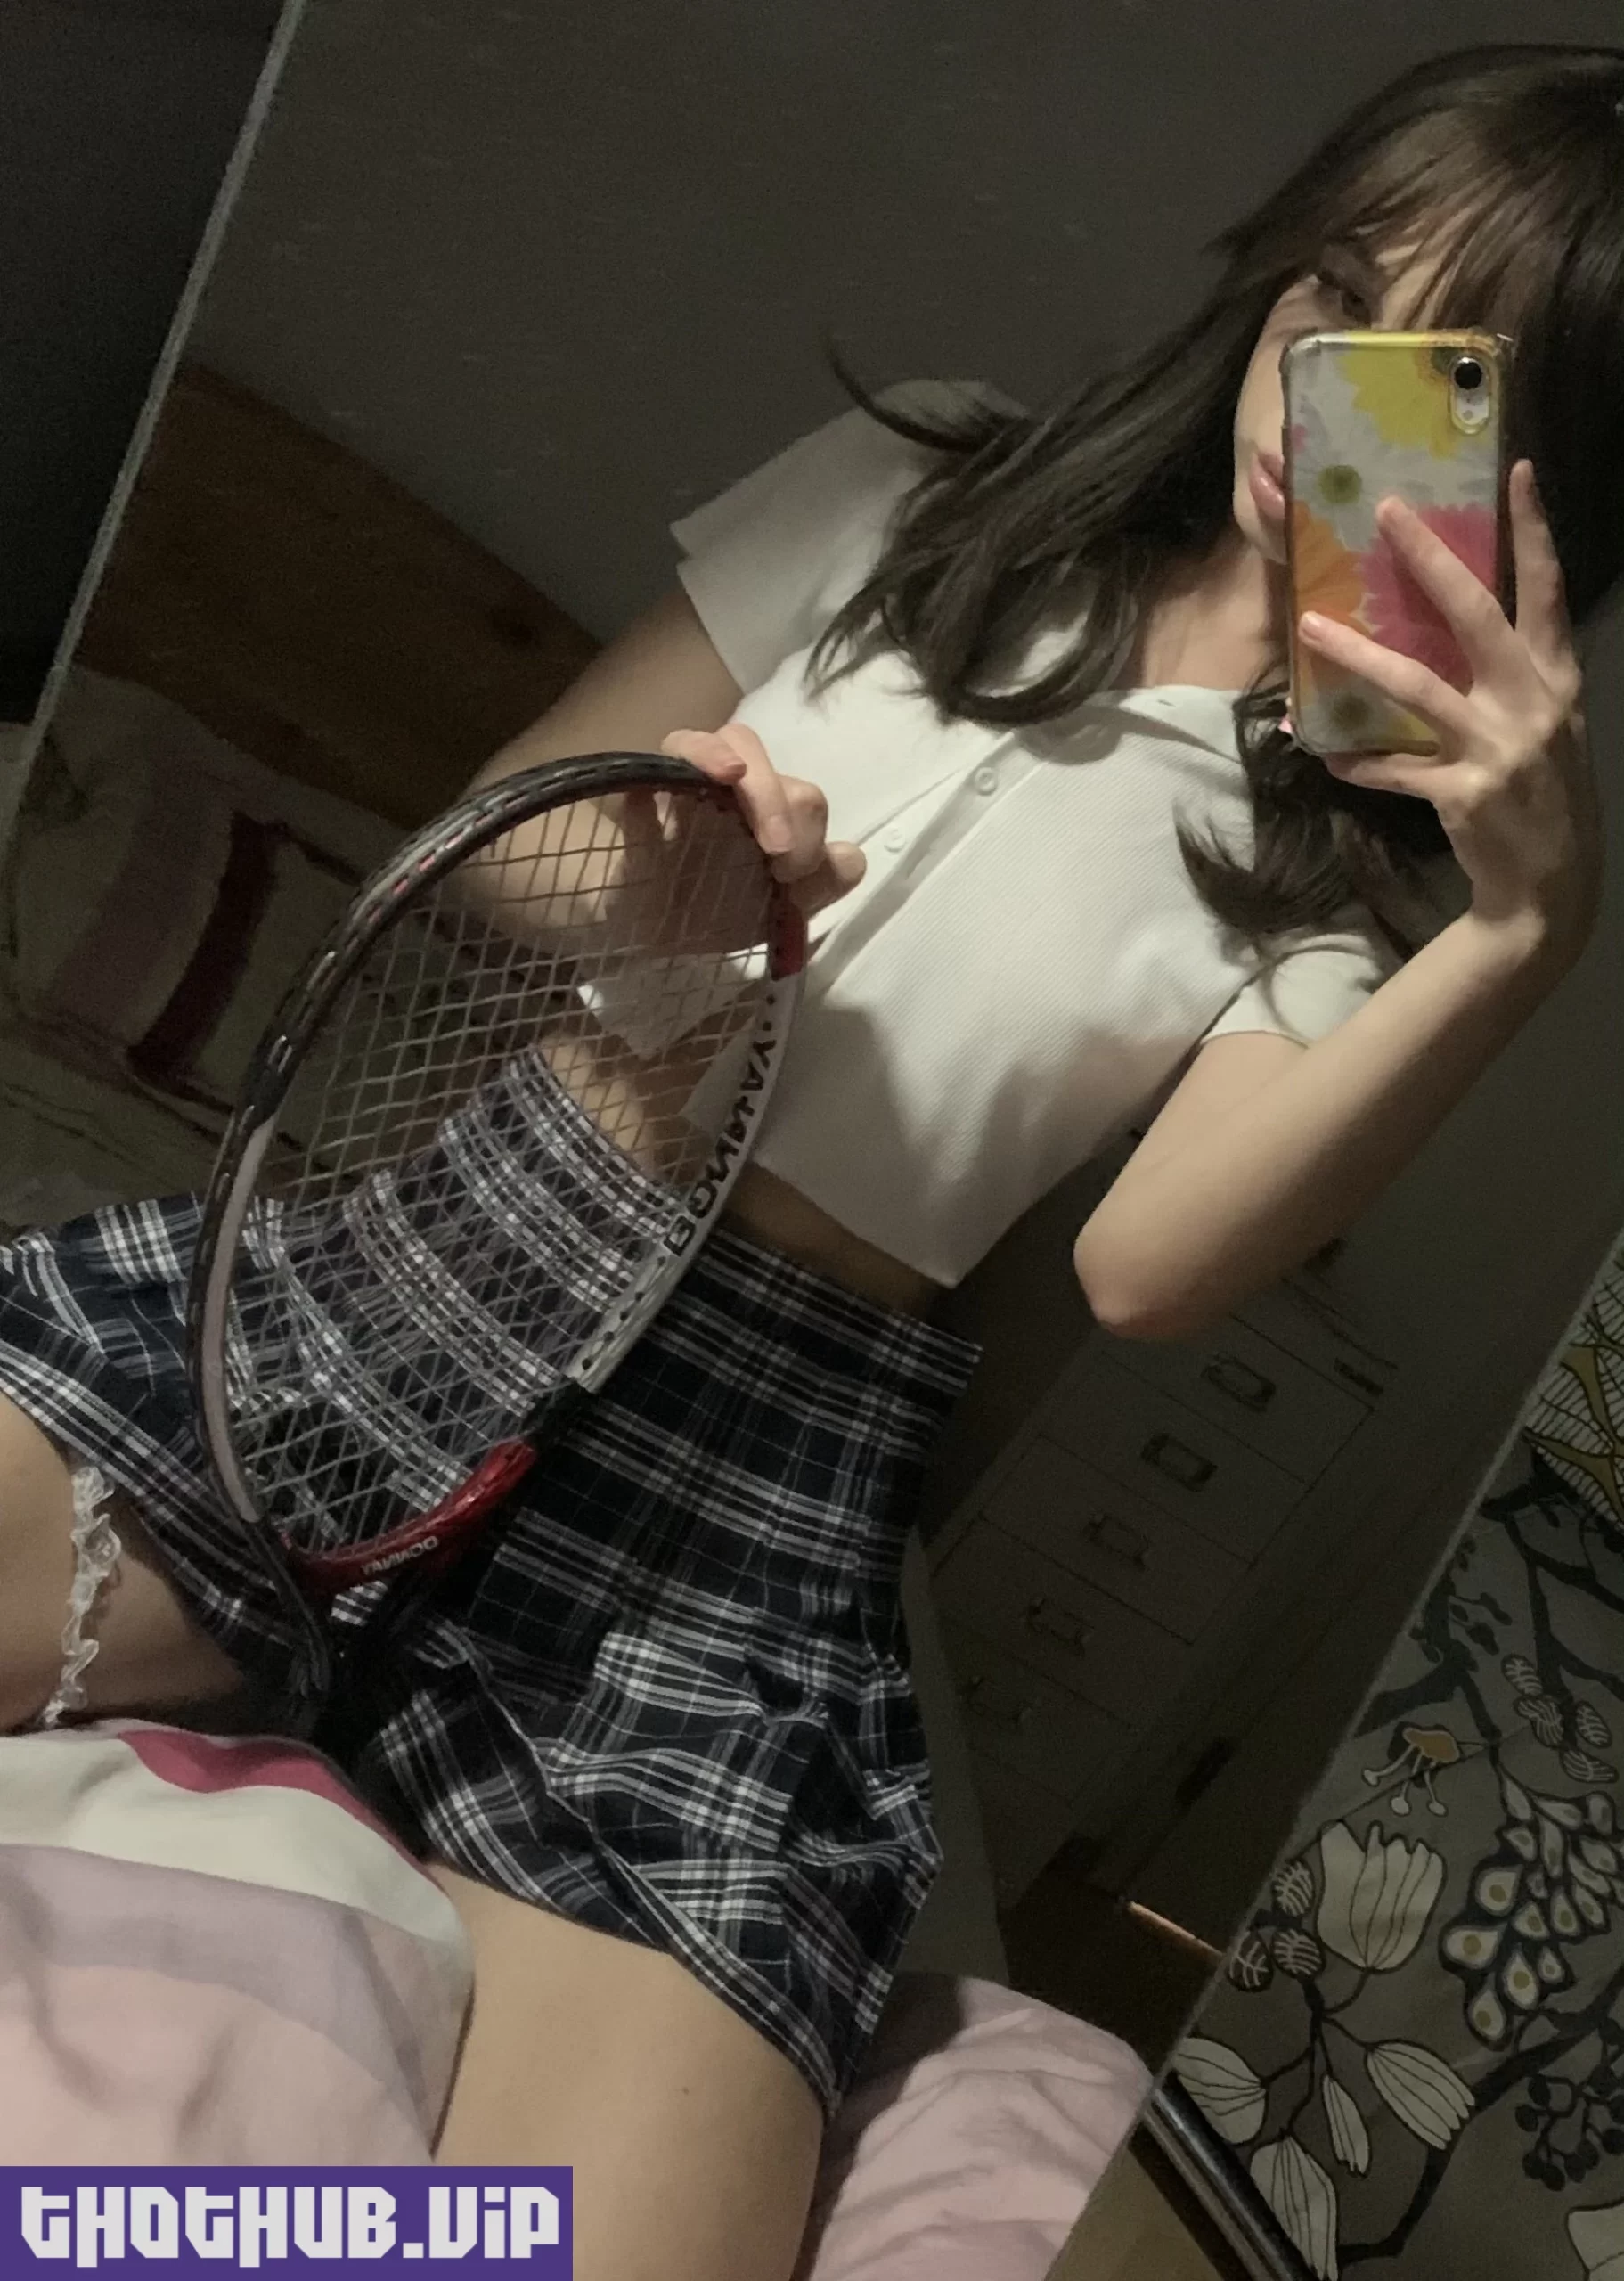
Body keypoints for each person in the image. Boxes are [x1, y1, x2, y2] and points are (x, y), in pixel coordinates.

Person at [0, 39, 1617, 2281]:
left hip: (749, 1502)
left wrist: (1522, 933)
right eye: (1329, 294)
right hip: (431, 1256)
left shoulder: (1333, 873)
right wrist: (662, 878)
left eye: (1433, 378)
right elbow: (497, 832)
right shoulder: (923, 479)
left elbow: (1149, 1272)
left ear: (1543, 474)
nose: (1318, 394)